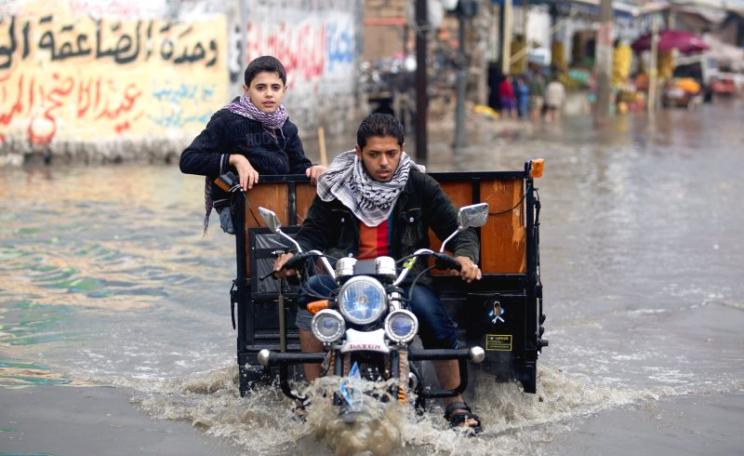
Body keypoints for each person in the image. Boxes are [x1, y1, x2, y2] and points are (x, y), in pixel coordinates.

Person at [274, 113, 483, 432]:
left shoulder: (417, 184)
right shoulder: (338, 183)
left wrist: (466, 258)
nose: (384, 162)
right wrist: (292, 255)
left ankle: (454, 402)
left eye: (391, 153)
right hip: (345, 276)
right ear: (358, 152)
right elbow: (313, 233)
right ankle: (311, 398)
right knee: (310, 295)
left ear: (401, 150)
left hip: (403, 278)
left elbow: (458, 229)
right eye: (374, 154)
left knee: (434, 318)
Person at [180, 55, 326, 231]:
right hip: (237, 208)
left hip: (281, 206)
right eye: (260, 88)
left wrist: (313, 169)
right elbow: (188, 160)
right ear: (247, 90)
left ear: (284, 90)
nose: (269, 94)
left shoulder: (286, 127)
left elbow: (298, 167)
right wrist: (235, 160)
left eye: (275, 87)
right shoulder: (227, 120)